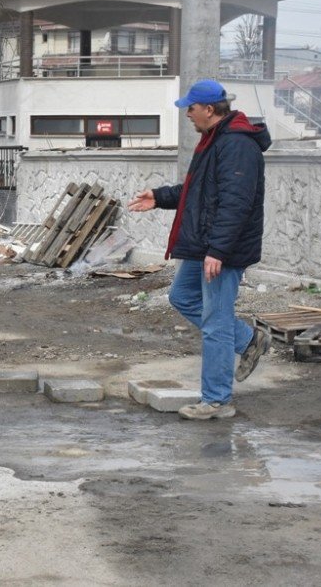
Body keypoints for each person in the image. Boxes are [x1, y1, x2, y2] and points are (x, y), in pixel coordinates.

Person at [128, 79, 273, 421]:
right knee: (182, 296)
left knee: (215, 322)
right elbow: (198, 193)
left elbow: (236, 204)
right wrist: (160, 197)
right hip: (205, 245)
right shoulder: (214, 141)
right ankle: (250, 340)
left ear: (209, 110)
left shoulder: (237, 145)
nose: (188, 115)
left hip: (223, 250)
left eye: (190, 109)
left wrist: (219, 251)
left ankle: (216, 401)